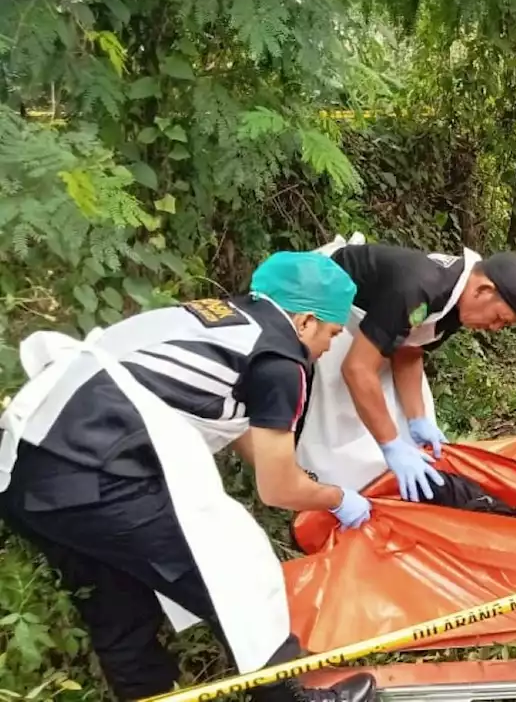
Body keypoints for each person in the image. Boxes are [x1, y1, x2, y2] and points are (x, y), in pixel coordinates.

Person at [0, 252, 377, 701]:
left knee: (121, 607)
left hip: (23, 467)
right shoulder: (281, 359)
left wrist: (309, 479)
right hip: (96, 470)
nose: (330, 346)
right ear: (305, 321)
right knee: (236, 571)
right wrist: (335, 498)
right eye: (333, 333)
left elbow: (239, 428)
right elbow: (277, 490)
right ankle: (287, 697)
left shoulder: (217, 319)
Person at [298, 236, 516, 503]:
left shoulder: (458, 301)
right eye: (498, 318)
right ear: (483, 290)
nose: (495, 328)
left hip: (372, 331)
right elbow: (356, 369)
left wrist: (417, 420)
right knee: (340, 419)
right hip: (327, 308)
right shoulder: (418, 289)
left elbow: (409, 349)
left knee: (405, 424)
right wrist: (390, 444)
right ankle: (320, 494)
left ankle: (389, 487)